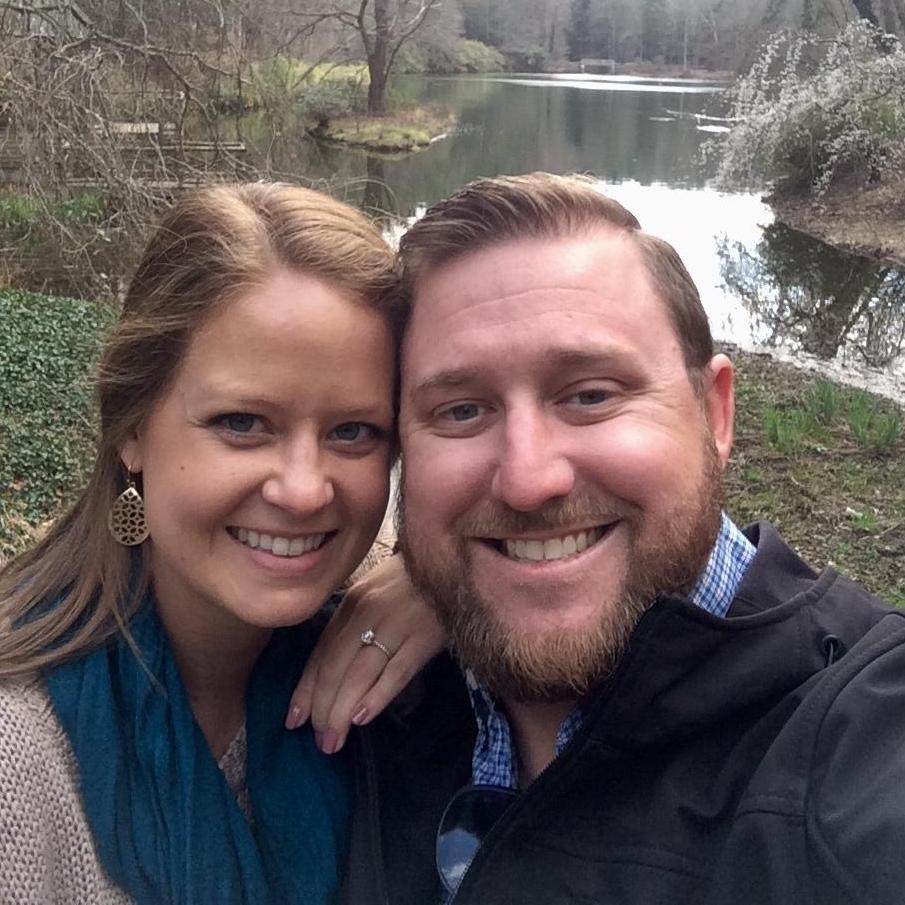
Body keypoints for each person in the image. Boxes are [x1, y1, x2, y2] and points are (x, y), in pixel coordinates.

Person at [328, 173, 905, 905]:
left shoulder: (861, 739)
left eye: (591, 395)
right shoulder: (355, 706)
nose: (527, 480)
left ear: (714, 414)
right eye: (462, 410)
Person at [0, 182, 442, 903]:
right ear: (132, 427)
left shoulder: (382, 670)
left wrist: (447, 584)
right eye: (242, 423)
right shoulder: (19, 749)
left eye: (353, 431)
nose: (304, 490)